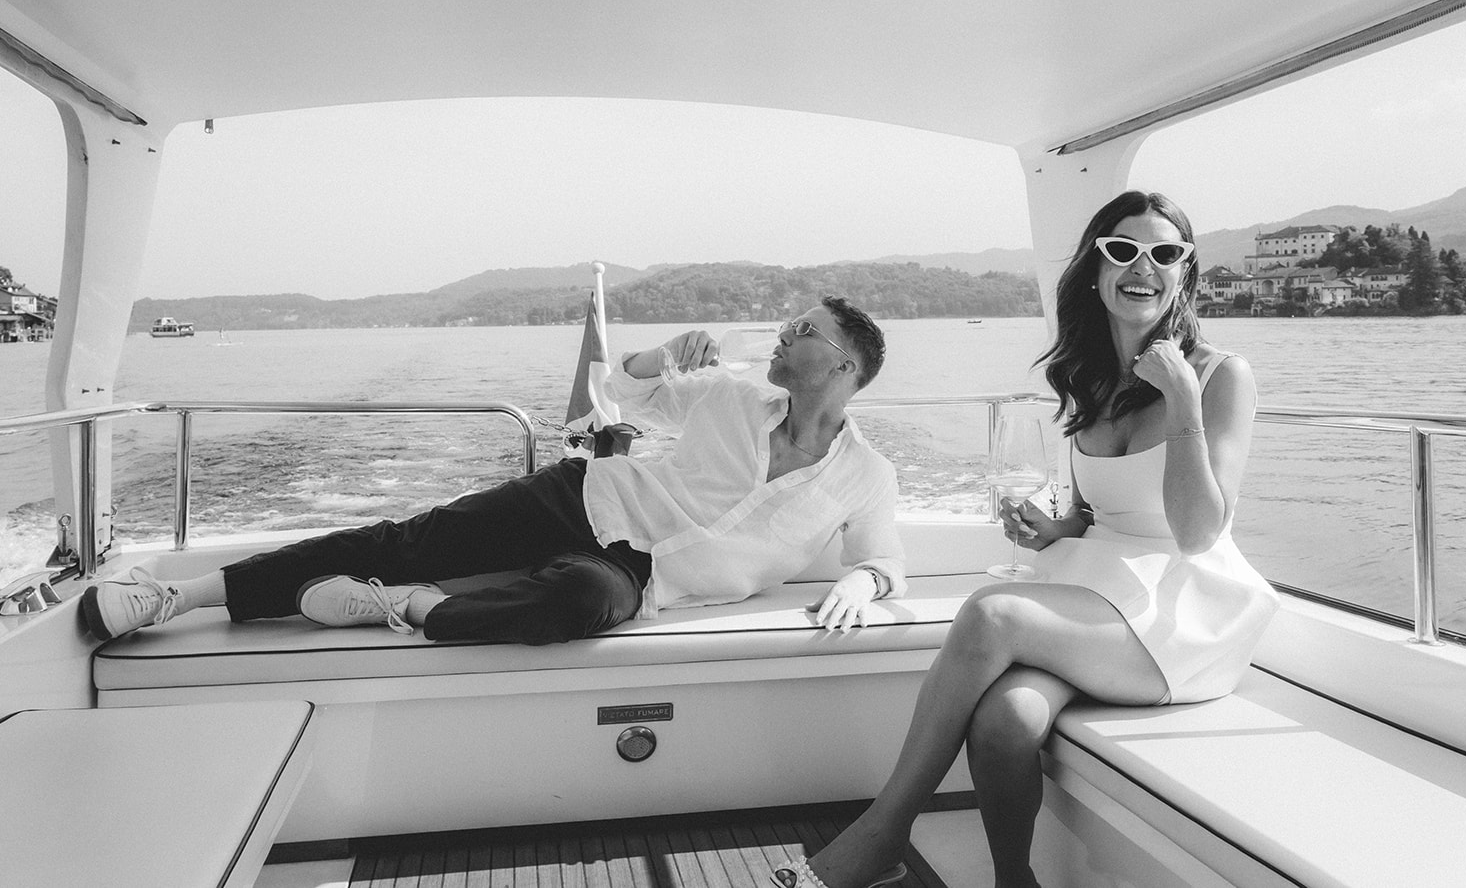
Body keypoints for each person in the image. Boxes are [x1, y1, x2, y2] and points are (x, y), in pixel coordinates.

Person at [774, 192, 1278, 888]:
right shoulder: (1089, 380)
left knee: (991, 610)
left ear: (1185, 271)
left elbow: (1196, 532)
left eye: (1166, 253)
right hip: (1105, 599)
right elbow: (1111, 511)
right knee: (1005, 721)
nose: (1144, 267)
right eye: (1123, 250)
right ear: (1095, 268)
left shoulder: (1224, 376)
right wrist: (1062, 528)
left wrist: (1185, 399)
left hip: (1183, 616)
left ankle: (881, 833)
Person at [81, 297, 904, 644]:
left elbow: (882, 559)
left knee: (582, 602)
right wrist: (659, 351)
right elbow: (613, 392)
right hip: (585, 497)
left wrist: (865, 586)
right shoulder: (728, 392)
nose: (783, 332)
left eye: (803, 328)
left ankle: (403, 609)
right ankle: (174, 597)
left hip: (640, 575)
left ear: (840, 367)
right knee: (407, 537)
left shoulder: (864, 474)